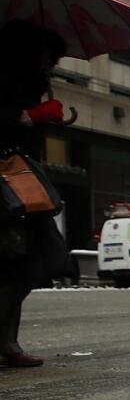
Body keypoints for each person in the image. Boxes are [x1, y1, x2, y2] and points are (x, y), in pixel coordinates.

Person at [0, 21, 71, 368]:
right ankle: (7, 342)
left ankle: (8, 341)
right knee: (18, 258)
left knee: (28, 260)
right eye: (49, 57)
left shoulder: (31, 83)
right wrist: (27, 116)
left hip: (22, 182)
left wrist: (43, 117)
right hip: (5, 184)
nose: (51, 64)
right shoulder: (5, 79)